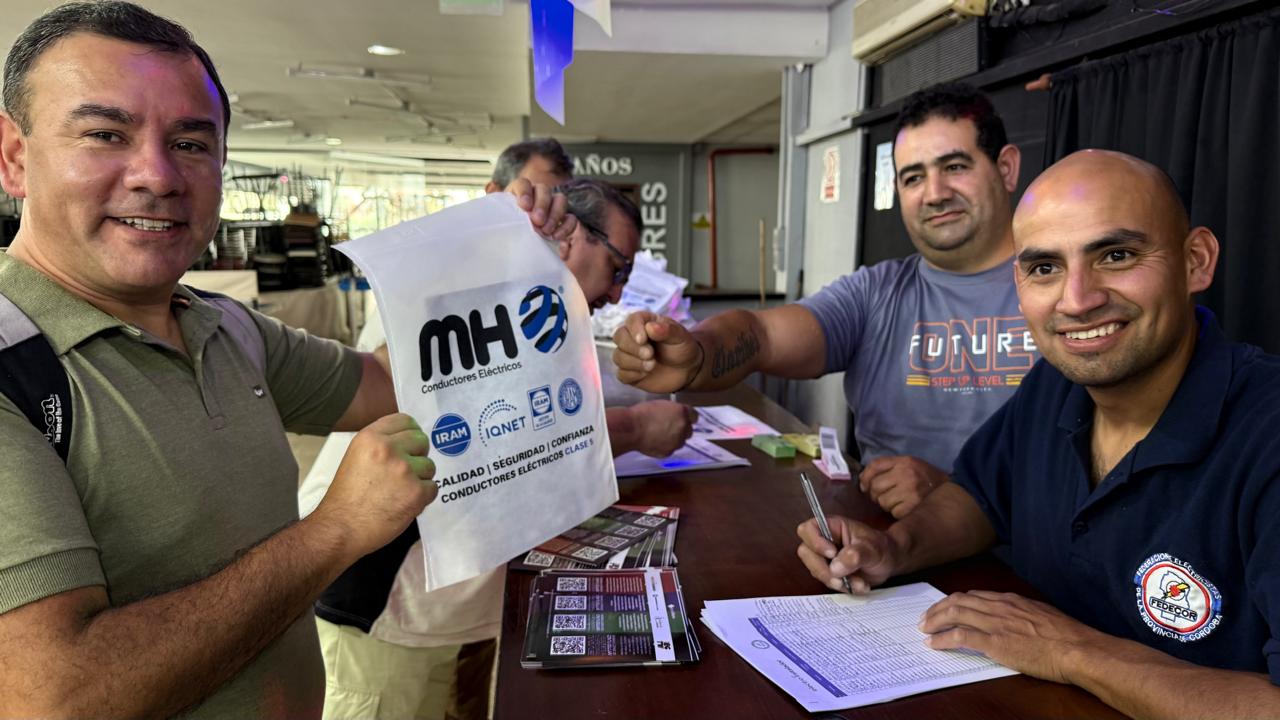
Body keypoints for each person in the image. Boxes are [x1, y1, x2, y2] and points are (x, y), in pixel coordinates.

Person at [0, 3, 573, 717]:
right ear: (14, 156)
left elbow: (396, 383)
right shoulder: (17, 370)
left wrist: (495, 256)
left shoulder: (225, 326)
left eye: (190, 143)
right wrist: (335, 530)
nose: (157, 175)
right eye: (105, 134)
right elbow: (53, 698)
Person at [797, 150, 1280, 718]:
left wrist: (1070, 651)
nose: (1077, 301)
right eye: (1045, 268)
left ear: (1195, 261)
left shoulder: (1266, 434)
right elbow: (980, 496)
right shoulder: (1056, 384)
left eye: (1116, 255)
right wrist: (893, 549)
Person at [302, 175, 695, 720]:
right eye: (618, 267)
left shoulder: (545, 311)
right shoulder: (475, 289)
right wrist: (636, 429)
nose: (617, 294)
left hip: (453, 605)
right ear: (571, 238)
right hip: (385, 606)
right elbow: (496, 427)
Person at [612, 82, 1038, 518]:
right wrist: (697, 354)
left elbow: (1079, 474)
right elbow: (760, 335)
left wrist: (957, 493)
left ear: (1006, 168)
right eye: (913, 178)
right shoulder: (876, 293)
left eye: (954, 166)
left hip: (1027, 554)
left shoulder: (1062, 291)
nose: (934, 193)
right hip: (887, 547)